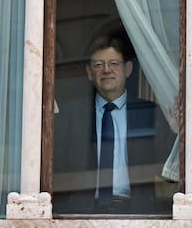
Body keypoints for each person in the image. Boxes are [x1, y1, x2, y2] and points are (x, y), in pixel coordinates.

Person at [53, 32, 177, 214]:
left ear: (128, 69)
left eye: (113, 64)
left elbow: (167, 169)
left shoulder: (149, 112)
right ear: (89, 72)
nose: (106, 70)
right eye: (98, 65)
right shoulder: (70, 115)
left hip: (138, 212)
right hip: (80, 212)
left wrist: (174, 133)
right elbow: (56, 167)